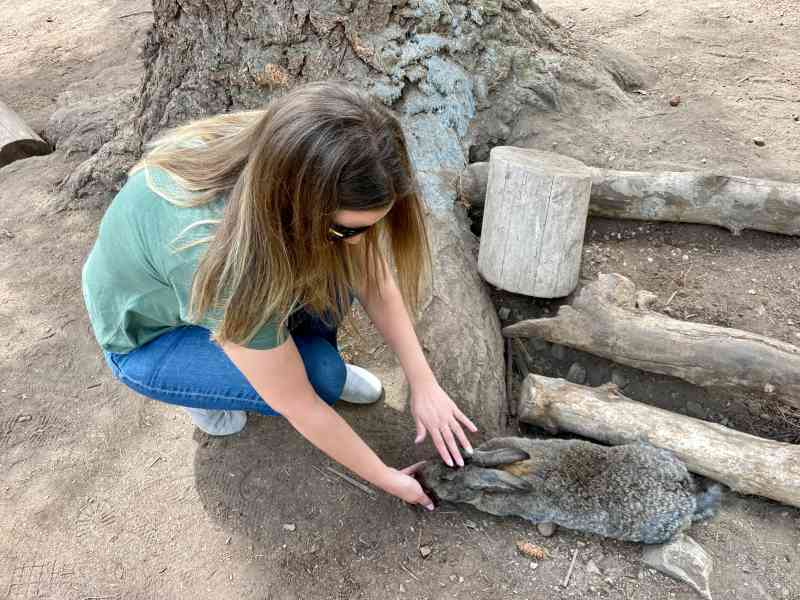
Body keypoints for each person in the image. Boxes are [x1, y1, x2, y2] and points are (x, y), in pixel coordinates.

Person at [81, 80, 478, 512]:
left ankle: (271, 353)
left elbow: (371, 277)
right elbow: (297, 402)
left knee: (334, 275)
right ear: (297, 203)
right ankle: (201, 393)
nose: (360, 242)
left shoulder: (292, 149)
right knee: (321, 379)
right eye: (346, 229)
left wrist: (424, 383)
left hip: (218, 280)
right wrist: (389, 479)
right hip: (149, 339)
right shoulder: (217, 256)